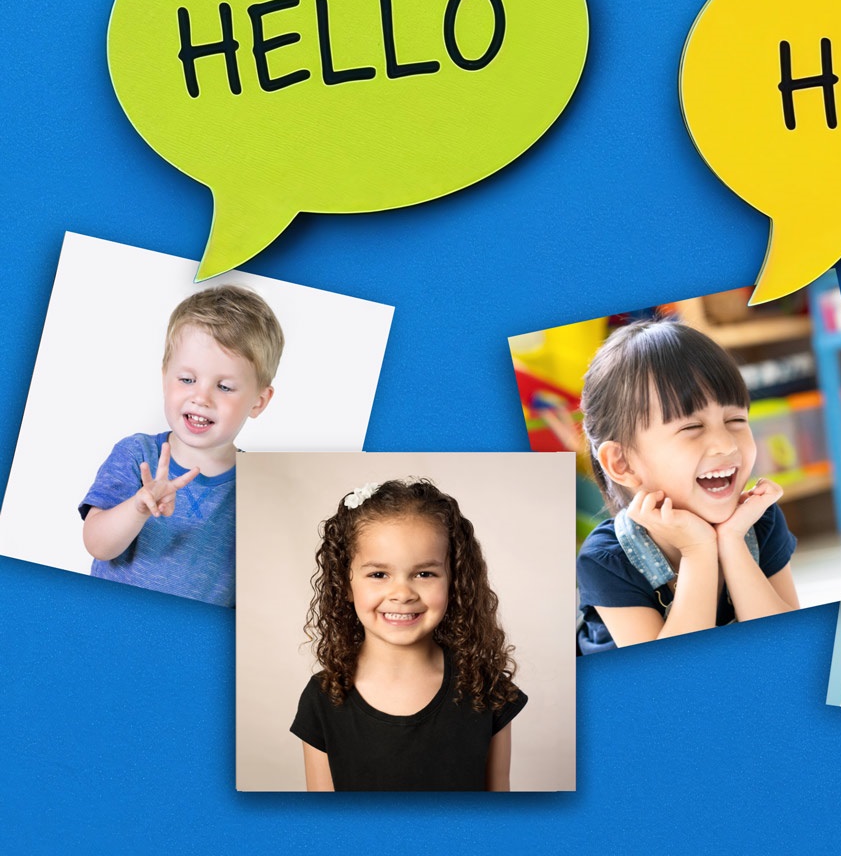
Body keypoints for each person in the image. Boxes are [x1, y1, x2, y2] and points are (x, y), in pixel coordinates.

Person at [575, 319, 799, 652]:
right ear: (622, 463)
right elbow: (667, 680)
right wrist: (698, 551)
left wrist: (733, 541)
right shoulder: (606, 559)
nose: (725, 444)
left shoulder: (758, 522)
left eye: (736, 420)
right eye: (692, 427)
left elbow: (787, 646)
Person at [291, 478, 527, 791]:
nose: (402, 593)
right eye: (378, 574)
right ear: (345, 585)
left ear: (453, 582)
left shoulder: (487, 688)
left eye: (424, 573)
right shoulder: (323, 697)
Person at [79, 283, 282, 607]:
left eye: (225, 386)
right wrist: (138, 507)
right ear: (165, 379)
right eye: (187, 380)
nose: (201, 398)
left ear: (258, 401)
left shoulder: (257, 485)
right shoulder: (136, 455)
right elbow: (97, 545)